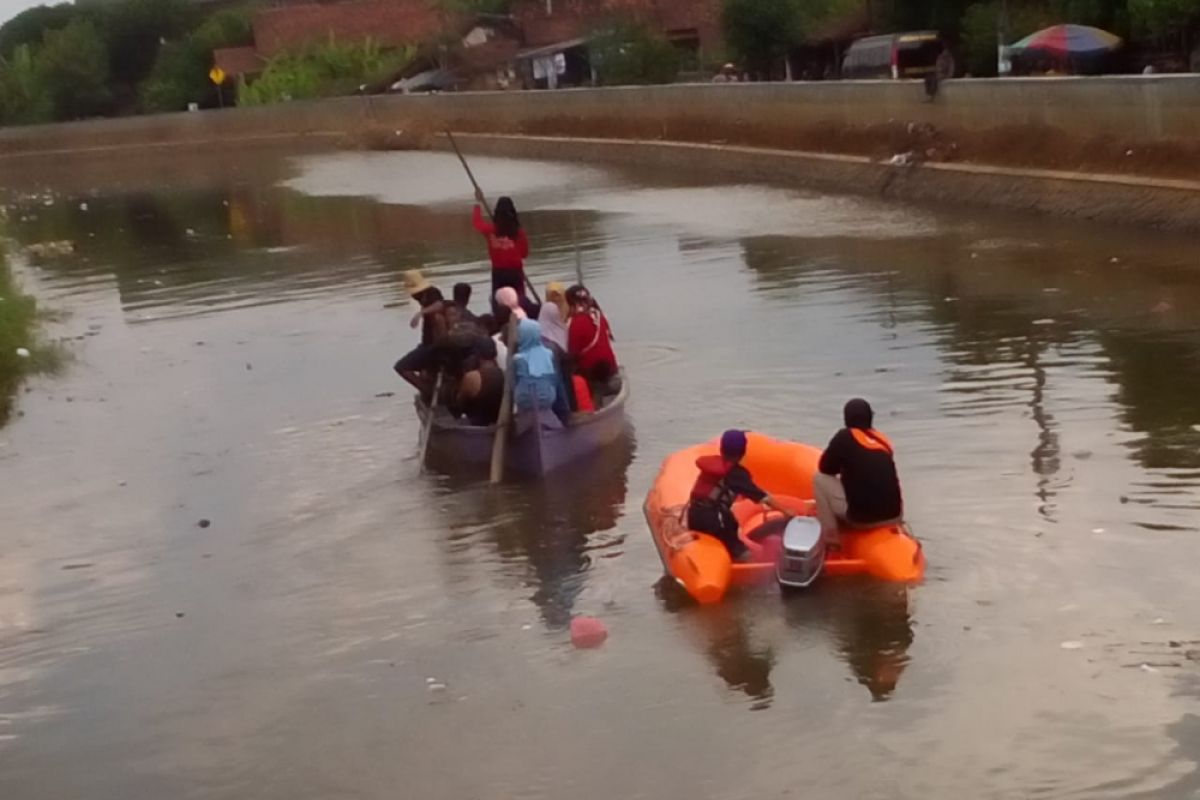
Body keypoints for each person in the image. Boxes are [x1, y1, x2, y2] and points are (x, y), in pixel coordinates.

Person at [686, 430, 790, 562]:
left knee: (731, 525)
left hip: (694, 515)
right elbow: (763, 498)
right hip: (713, 520)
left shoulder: (715, 468)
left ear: (722, 448)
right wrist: (787, 511)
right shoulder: (737, 474)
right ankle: (743, 564)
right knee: (741, 552)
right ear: (743, 452)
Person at [813, 398, 904, 547]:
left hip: (861, 520)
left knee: (820, 479)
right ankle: (898, 531)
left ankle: (831, 540)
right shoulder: (883, 441)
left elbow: (825, 468)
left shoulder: (844, 437)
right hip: (894, 516)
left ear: (846, 419)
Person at [472, 193, 538, 318]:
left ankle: (500, 323)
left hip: (499, 273)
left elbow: (477, 223)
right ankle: (521, 320)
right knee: (519, 301)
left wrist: (478, 203)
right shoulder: (518, 232)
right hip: (515, 273)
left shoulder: (491, 231)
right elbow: (524, 254)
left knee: (499, 303)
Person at [393, 269, 445, 396]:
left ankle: (427, 391)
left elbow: (440, 305)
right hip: (427, 342)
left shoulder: (432, 293)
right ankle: (428, 386)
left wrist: (420, 313)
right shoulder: (421, 296)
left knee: (401, 367)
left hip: (433, 345)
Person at [512, 318, 570, 425]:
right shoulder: (549, 354)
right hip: (547, 399)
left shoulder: (517, 359)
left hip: (524, 401)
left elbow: (513, 384)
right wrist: (565, 414)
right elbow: (556, 382)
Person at [565, 284, 619, 397]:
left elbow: (572, 354)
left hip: (592, 375)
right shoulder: (599, 316)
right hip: (611, 368)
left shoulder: (575, 323)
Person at [455, 337, 505, 426]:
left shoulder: (472, 377)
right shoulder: (504, 375)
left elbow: (460, 404)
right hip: (498, 426)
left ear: (477, 354)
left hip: (475, 430)